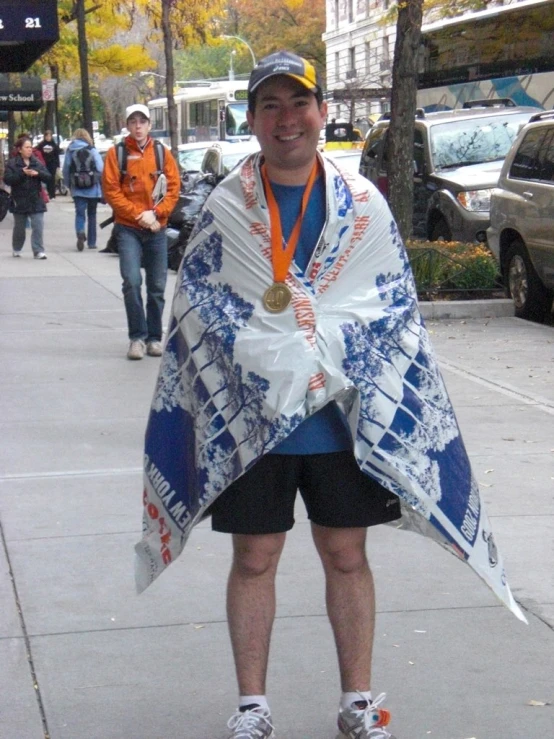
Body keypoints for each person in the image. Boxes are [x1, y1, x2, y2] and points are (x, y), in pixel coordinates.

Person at [135, 51, 523, 739]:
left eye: (299, 103)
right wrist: (265, 343)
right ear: (252, 120)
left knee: (346, 554)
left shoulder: (362, 204)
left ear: (322, 112)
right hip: (255, 422)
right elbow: (196, 308)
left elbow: (394, 308)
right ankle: (253, 705)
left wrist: (326, 342)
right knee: (254, 558)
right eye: (271, 107)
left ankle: (357, 702)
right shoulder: (227, 207)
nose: (287, 120)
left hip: (343, 421)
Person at [102, 104, 180, 360]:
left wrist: (156, 214)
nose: (138, 126)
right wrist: (140, 215)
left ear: (149, 125)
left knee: (157, 286)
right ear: (127, 125)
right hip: (129, 230)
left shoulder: (161, 153)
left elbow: (173, 189)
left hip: (157, 228)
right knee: (132, 281)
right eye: (133, 121)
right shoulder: (117, 154)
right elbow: (112, 191)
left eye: (142, 121)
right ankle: (137, 337)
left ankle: (154, 338)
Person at [4, 135, 51, 258]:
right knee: (20, 227)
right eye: (27, 147)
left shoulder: (36, 162)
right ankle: (17, 247)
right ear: (20, 149)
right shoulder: (13, 163)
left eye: (31, 147)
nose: (30, 149)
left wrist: (38, 173)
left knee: (38, 225)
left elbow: (48, 176)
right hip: (19, 200)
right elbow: (8, 180)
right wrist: (22, 173)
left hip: (35, 199)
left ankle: (38, 250)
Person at [63, 128, 104, 251]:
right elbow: (101, 168)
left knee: (80, 214)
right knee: (92, 214)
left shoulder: (70, 150)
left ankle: (80, 232)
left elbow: (66, 168)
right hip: (92, 188)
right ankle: (92, 242)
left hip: (77, 187)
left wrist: (68, 184)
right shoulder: (92, 149)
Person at [36, 130, 61, 199]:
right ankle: (49, 192)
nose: (48, 138)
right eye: (47, 136)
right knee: (47, 178)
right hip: (44, 163)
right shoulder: (41, 144)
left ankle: (52, 194)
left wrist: (58, 165)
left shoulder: (54, 145)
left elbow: (56, 155)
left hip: (52, 164)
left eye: (49, 136)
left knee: (52, 178)